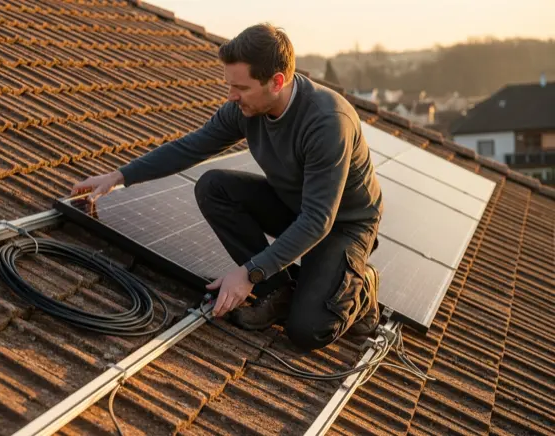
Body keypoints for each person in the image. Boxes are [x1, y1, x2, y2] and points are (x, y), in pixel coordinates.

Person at [70, 23, 383, 351]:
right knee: (214, 186)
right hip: (294, 205)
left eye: (241, 88)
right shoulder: (244, 109)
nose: (232, 96)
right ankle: (279, 290)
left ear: (277, 82)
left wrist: (249, 272)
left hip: (343, 225)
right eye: (230, 85)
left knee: (308, 330)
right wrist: (118, 176)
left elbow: (318, 220)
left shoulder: (327, 123)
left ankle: (362, 286)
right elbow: (191, 147)